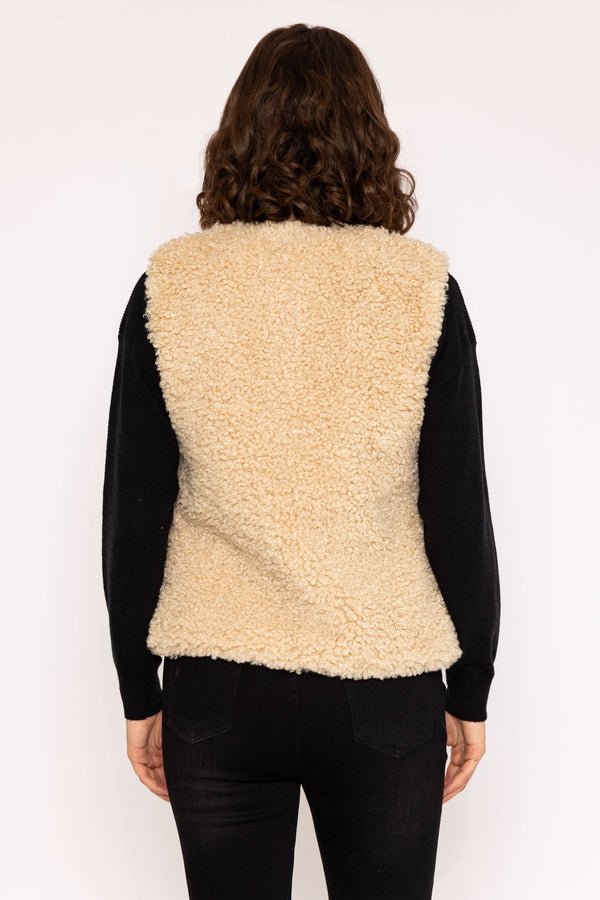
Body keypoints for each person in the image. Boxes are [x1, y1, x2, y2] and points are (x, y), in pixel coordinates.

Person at [102, 23, 500, 900]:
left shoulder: (170, 287)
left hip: (219, 688)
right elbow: (456, 508)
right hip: (382, 684)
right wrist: (471, 686)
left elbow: (134, 509)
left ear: (237, 134)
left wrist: (139, 691)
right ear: (370, 140)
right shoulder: (422, 291)